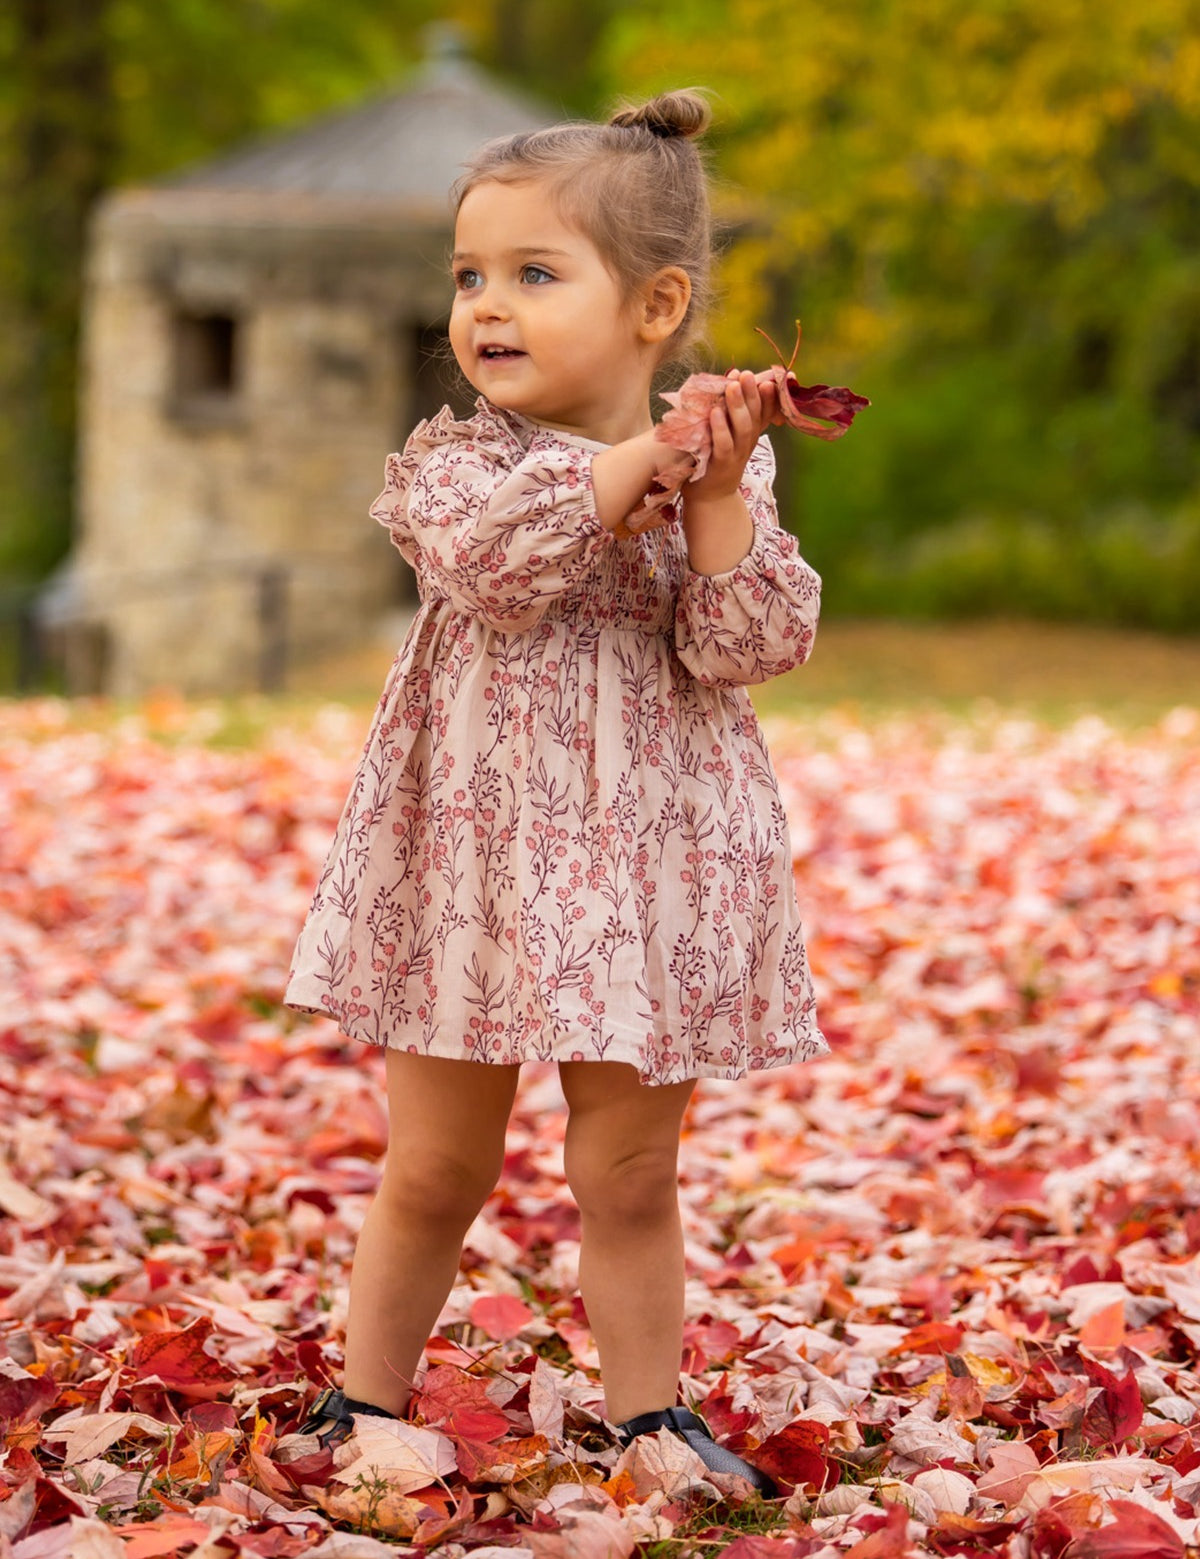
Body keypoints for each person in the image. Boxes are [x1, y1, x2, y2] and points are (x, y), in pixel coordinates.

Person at [284, 87, 827, 1493]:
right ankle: (362, 1399)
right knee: (435, 1167)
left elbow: (749, 644)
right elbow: (495, 567)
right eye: (470, 278)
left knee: (631, 1171)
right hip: (469, 864)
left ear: (656, 307)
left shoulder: (722, 479)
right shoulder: (459, 465)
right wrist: (646, 463)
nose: (489, 307)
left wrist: (712, 496)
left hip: (648, 871)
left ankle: (651, 1419)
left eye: (534, 274)